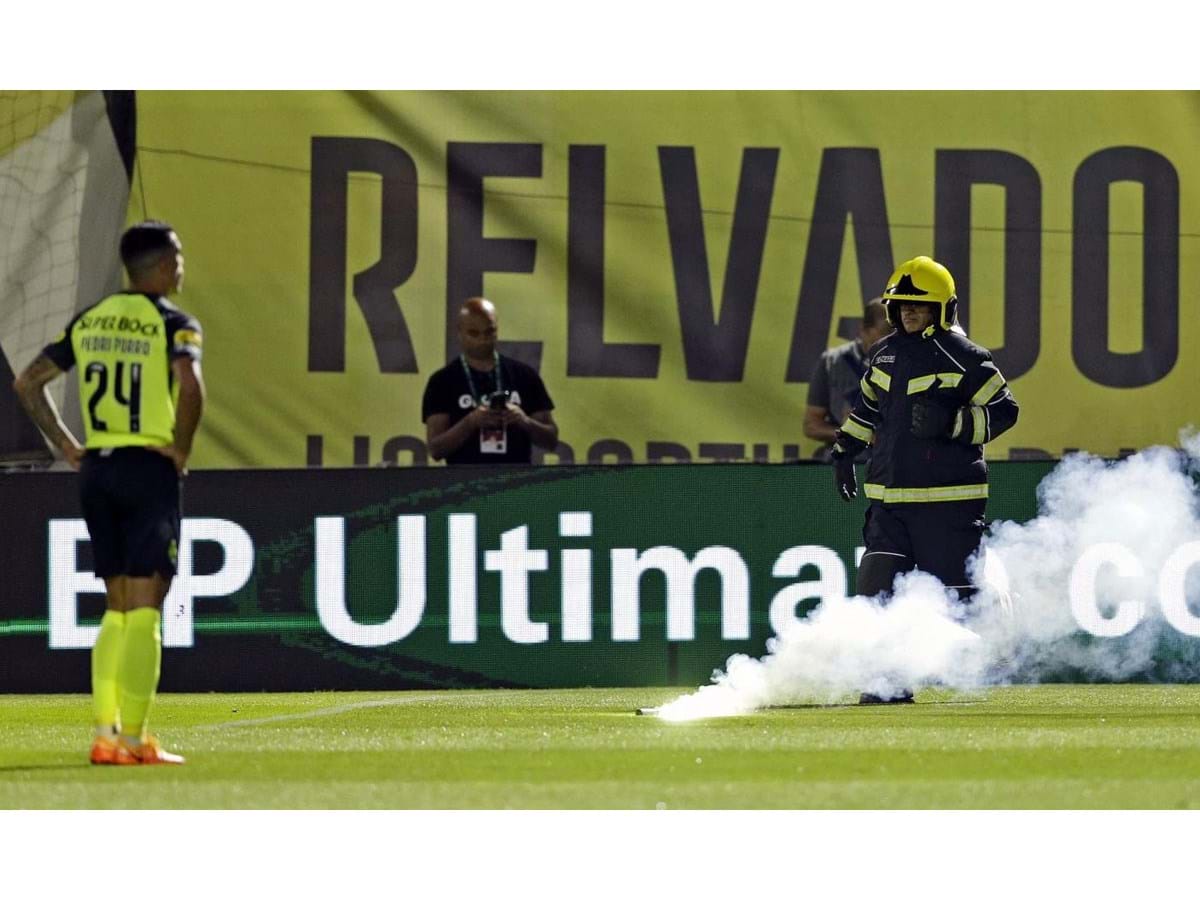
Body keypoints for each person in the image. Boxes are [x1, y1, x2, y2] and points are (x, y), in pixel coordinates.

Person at [13, 220, 204, 763]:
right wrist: (181, 448)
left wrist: (69, 447)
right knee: (146, 607)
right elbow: (189, 386)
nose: (182, 266)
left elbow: (27, 382)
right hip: (147, 467)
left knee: (117, 605)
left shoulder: (90, 320)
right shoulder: (172, 323)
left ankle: (105, 734)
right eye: (180, 256)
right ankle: (136, 739)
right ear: (164, 265)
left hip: (97, 470)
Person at [829, 256, 1018, 704]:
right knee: (876, 588)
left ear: (942, 309)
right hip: (889, 500)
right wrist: (844, 450)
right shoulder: (886, 354)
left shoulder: (968, 357)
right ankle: (886, 683)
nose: (910, 313)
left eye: (920, 306)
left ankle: (1001, 609)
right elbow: (868, 410)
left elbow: (1006, 411)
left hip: (949, 504)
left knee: (959, 604)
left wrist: (952, 423)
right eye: (902, 306)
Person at [422, 297, 558, 464]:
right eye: (474, 333)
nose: (482, 340)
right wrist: (471, 422)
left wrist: (524, 421)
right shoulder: (442, 382)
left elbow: (551, 440)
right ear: (459, 332)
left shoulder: (524, 376)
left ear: (497, 330)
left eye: (489, 332)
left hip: (517, 479)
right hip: (463, 482)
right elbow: (435, 449)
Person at [803, 298, 892, 461]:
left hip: (895, 466)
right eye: (877, 343)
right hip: (847, 465)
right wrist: (849, 433)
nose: (883, 351)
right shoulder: (832, 362)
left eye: (891, 343)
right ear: (862, 330)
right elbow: (811, 425)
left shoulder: (910, 363)